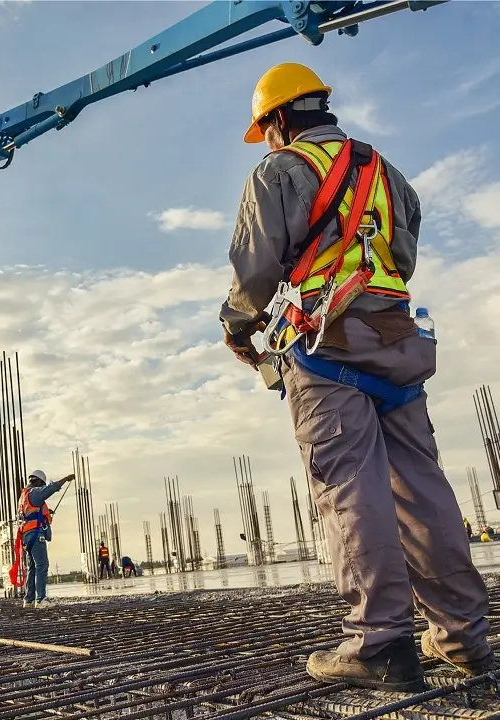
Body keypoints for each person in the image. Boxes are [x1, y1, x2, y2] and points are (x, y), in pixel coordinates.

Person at [219, 62, 493, 691]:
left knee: (350, 488)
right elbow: (403, 256)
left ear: (280, 117)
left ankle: (380, 642)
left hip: (325, 346)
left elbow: (256, 270)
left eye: (264, 128)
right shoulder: (387, 174)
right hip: (397, 340)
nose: (264, 139)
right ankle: (464, 638)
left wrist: (237, 327)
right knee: (423, 489)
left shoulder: (280, 171)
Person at [18, 469, 74, 608]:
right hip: (36, 534)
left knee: (32, 567)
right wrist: (66, 478)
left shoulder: (23, 496)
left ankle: (29, 600)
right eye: (41, 484)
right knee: (42, 565)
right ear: (37, 481)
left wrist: (46, 513)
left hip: (26, 536)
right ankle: (41, 599)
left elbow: (30, 513)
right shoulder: (35, 492)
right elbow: (50, 489)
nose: (41, 486)